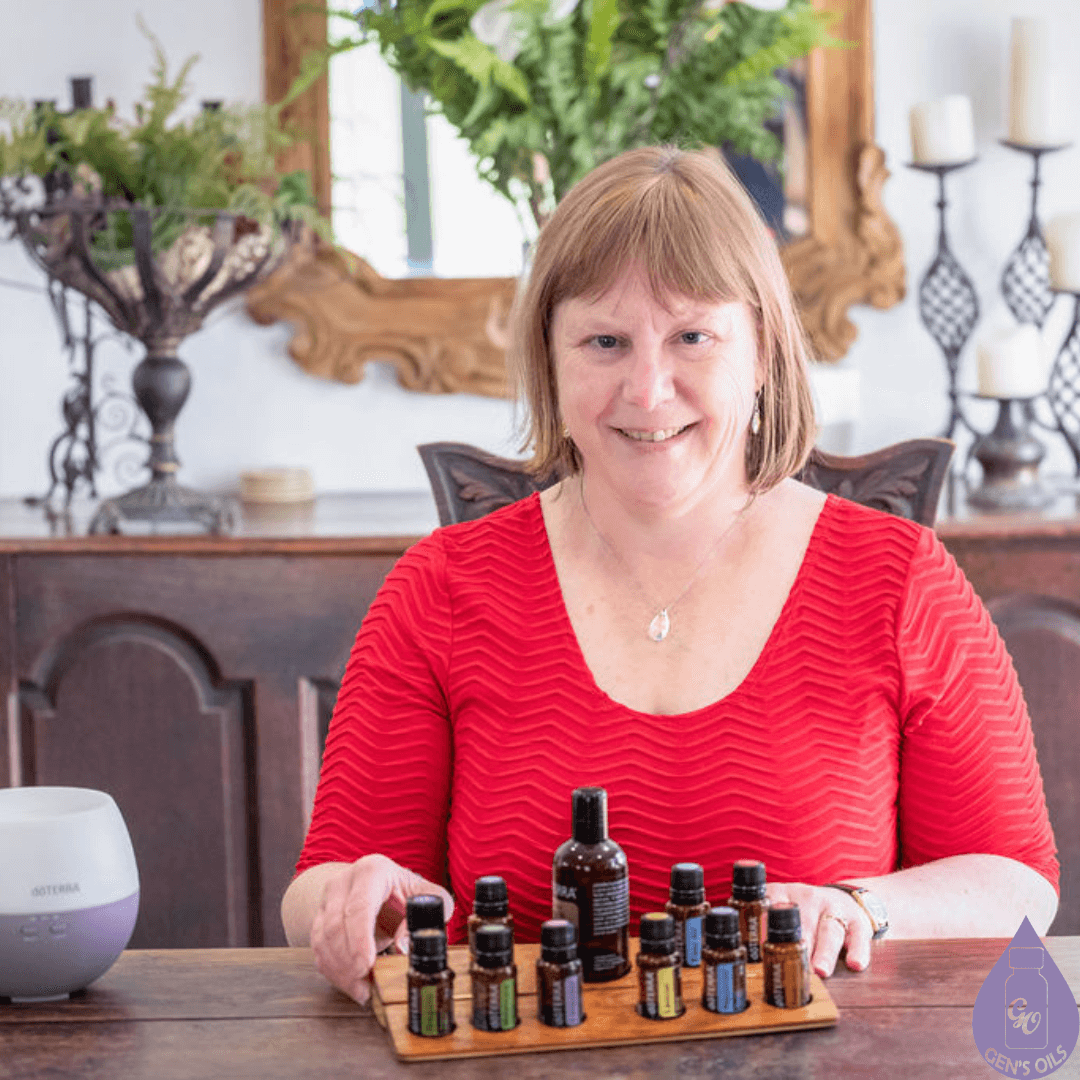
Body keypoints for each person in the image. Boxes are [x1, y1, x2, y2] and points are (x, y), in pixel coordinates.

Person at [281, 146, 1058, 1005]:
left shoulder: (902, 579)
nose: (648, 391)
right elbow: (321, 886)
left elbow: (1019, 882)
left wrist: (861, 907)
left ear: (761, 354)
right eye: (604, 341)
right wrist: (352, 902)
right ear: (550, 362)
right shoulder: (439, 587)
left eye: (693, 337)